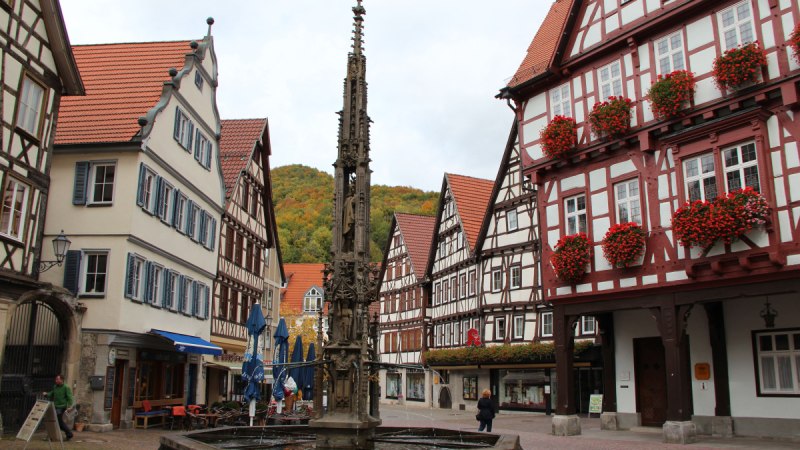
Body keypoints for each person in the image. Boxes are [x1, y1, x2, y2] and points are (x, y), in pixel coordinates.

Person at [45, 374, 74, 441]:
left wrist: (69, 406)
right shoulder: (55, 386)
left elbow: (70, 397)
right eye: (56, 379)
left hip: (61, 407)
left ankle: (69, 434)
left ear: (62, 380)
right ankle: (52, 435)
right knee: (53, 421)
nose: (56, 380)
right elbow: (52, 393)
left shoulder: (66, 387)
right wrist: (47, 394)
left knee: (59, 422)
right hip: (54, 406)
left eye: (57, 379)